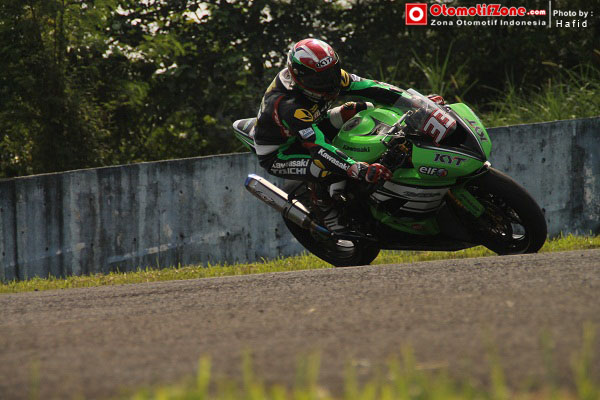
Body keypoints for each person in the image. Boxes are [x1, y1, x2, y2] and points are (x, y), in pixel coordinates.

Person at [253, 38, 409, 233]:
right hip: (281, 151)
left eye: (331, 73)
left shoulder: (334, 78)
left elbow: (375, 88)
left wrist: (415, 103)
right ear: (299, 78)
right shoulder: (288, 105)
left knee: (361, 109)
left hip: (313, 122)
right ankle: (325, 210)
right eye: (318, 80)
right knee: (324, 167)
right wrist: (356, 168)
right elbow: (318, 148)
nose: (329, 84)